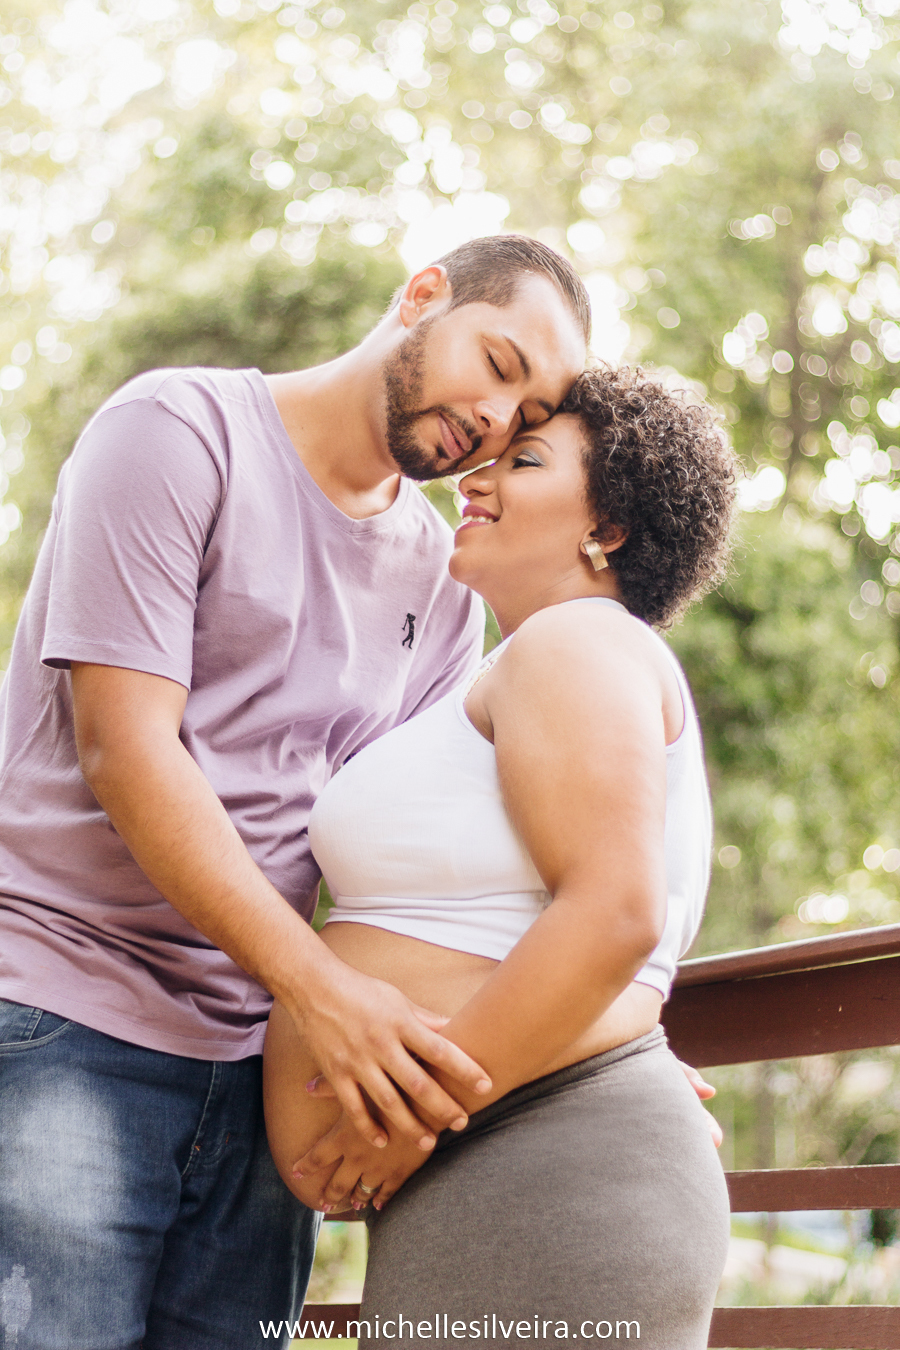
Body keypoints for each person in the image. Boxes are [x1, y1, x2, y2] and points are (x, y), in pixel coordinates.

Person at [0, 236, 591, 1350]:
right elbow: (127, 753)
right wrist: (318, 987)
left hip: (270, 1072)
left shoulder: (442, 584)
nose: (499, 418)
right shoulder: (177, 433)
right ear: (423, 296)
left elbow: (429, 865)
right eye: (497, 361)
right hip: (62, 1021)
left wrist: (607, 1053)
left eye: (534, 410)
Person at [264, 363, 738, 1349]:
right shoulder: (538, 661)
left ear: (605, 528)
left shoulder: (574, 644)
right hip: (510, 1163)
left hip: (543, 1161)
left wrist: (405, 1121)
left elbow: (615, 912)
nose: (472, 482)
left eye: (522, 461)